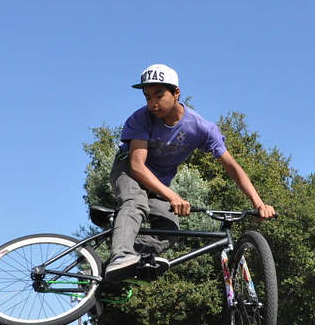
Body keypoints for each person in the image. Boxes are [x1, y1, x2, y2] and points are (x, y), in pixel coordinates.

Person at [105, 63, 275, 281]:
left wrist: (258, 203)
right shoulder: (141, 119)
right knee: (135, 202)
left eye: (159, 95)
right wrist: (173, 196)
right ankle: (120, 255)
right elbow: (137, 167)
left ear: (176, 93)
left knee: (170, 229)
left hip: (158, 182)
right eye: (147, 97)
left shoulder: (201, 128)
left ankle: (120, 264)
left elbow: (232, 167)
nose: (153, 103)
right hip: (129, 170)